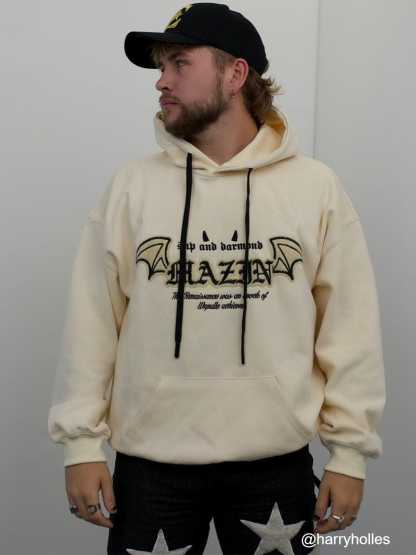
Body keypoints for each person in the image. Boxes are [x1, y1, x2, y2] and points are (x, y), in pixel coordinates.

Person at [47, 3, 386, 554]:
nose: (161, 82)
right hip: (152, 463)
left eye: (180, 63)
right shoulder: (132, 188)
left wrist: (349, 454)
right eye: (162, 67)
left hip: (274, 464)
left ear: (235, 74)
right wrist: (81, 445)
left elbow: (349, 329)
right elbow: (92, 322)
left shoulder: (314, 188)